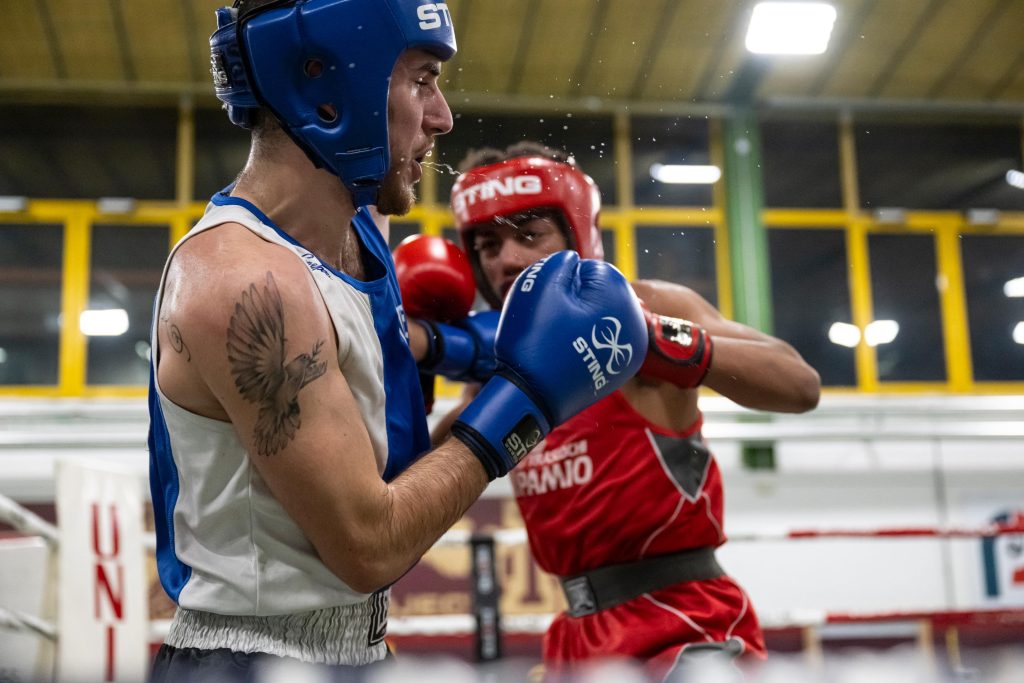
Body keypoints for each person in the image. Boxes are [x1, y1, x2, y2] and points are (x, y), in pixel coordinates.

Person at [146, 4, 649, 680]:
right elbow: (369, 545)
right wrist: (526, 400)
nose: (441, 116)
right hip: (248, 659)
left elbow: (387, 481)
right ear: (330, 84)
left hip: (356, 647)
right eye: (421, 79)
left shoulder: (360, 243)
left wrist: (464, 356)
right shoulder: (244, 282)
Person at [423, 142, 822, 680]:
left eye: (530, 234)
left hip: (683, 625)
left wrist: (648, 339)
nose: (508, 260)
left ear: (578, 235)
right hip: (576, 636)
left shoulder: (647, 306)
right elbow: (412, 474)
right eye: (489, 245)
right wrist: (416, 361)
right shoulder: (504, 367)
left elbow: (800, 383)